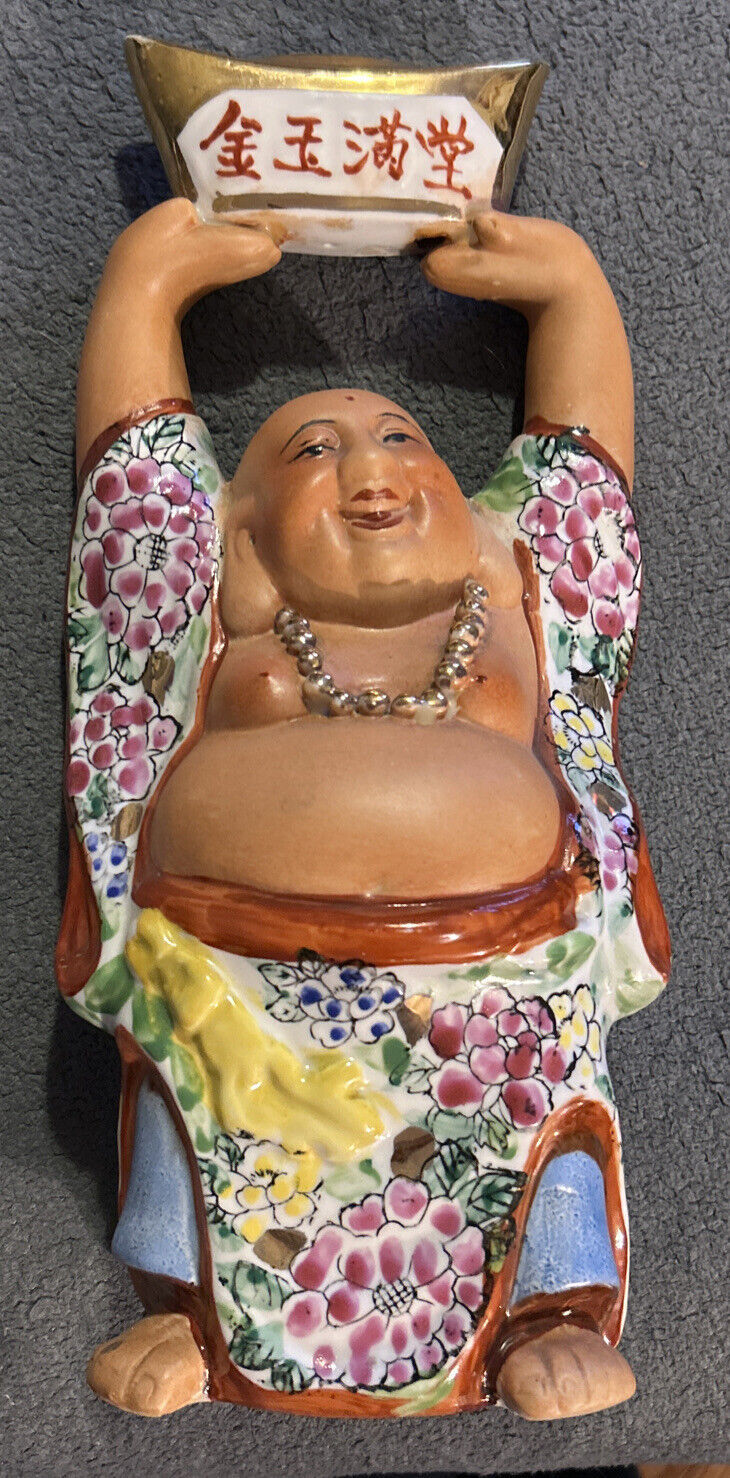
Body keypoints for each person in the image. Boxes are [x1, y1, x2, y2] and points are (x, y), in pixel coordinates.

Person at [57, 200, 669, 1420]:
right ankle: (188, 1315)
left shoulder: (515, 603)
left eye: (400, 437)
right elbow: (131, 508)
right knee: (195, 1136)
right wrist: (142, 289)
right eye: (312, 450)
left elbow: (586, 493)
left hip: (499, 989)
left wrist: (572, 298)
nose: (369, 467)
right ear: (236, 533)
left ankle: (544, 1311)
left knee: (536, 1145)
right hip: (233, 974)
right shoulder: (214, 610)